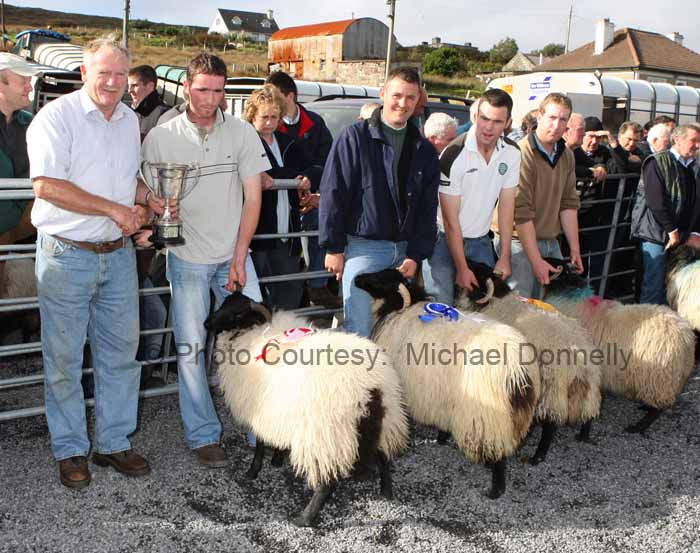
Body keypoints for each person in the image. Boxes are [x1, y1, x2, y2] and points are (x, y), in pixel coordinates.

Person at [28, 37, 157, 489]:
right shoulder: (55, 118)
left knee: (122, 355)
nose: (113, 82)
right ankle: (70, 449)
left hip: (117, 256)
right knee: (64, 359)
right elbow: (45, 186)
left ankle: (113, 442)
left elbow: (128, 179)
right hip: (67, 255)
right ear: (84, 72)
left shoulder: (128, 120)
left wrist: (146, 198)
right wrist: (115, 210)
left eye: (121, 74)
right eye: (104, 72)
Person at [142, 53, 269, 467]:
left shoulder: (243, 133)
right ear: (185, 87)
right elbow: (144, 192)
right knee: (191, 348)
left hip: (234, 255)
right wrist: (155, 205)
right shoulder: (161, 137)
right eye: (202, 89)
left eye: (218, 90)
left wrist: (239, 254)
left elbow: (254, 196)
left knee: (258, 341)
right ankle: (203, 434)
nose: (211, 99)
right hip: (187, 258)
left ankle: (262, 429)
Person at [319, 66, 440, 338]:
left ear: (418, 99)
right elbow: (333, 193)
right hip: (364, 250)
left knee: (402, 335)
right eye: (397, 95)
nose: (403, 103)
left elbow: (427, 208)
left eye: (411, 97)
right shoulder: (353, 138)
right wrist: (334, 247)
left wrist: (416, 254)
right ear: (383, 93)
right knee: (358, 333)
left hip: (406, 252)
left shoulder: (424, 150)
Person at [422, 88, 519, 305]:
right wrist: (462, 267)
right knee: (442, 310)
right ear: (475, 117)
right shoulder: (453, 154)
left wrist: (504, 257)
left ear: (508, 122)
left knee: (483, 310)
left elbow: (506, 206)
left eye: (497, 121)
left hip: (480, 241)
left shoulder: (512, 153)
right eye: (484, 118)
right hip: (443, 240)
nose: (488, 127)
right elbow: (450, 219)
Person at [266, 71, 339, 307]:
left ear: (291, 96)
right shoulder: (269, 126)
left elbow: (326, 160)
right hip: (280, 201)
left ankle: (317, 284)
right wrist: (294, 182)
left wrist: (311, 182)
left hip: (310, 198)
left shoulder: (315, 123)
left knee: (323, 222)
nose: (272, 103)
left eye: (276, 96)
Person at [243, 84, 319, 309]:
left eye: (274, 117)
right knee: (256, 297)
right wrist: (290, 178)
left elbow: (315, 166)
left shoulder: (288, 142)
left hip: (287, 233)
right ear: (252, 116)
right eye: (264, 116)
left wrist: (305, 176)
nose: (269, 122)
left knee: (290, 293)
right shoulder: (245, 142)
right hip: (257, 236)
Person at [504, 92, 582, 298]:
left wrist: (574, 248)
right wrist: (536, 261)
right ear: (539, 117)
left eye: (563, 119)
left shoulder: (566, 156)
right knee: (519, 309)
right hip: (518, 241)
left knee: (552, 307)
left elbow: (568, 203)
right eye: (552, 117)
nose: (556, 125)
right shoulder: (521, 153)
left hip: (550, 241)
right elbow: (521, 212)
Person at [630, 123, 700, 304]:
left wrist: (693, 232)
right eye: (694, 140)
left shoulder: (693, 166)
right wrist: (672, 230)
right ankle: (651, 330)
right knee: (654, 286)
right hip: (656, 235)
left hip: (680, 236)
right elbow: (656, 200)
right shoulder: (656, 162)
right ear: (677, 139)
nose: (698, 145)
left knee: (674, 286)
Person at [0, 54, 39, 244]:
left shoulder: (33, 125)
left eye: (30, 81)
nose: (30, 87)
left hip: (17, 223)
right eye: (23, 80)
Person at [127, 64, 168, 141]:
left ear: (150, 86)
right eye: (129, 86)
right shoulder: (131, 111)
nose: (129, 91)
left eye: (135, 85)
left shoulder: (163, 115)